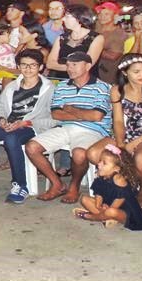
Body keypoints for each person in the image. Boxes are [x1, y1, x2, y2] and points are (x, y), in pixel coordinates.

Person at [0, 49, 55, 203]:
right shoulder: (12, 86)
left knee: (11, 139)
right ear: (19, 67)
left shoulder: (49, 89)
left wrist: (25, 122)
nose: (28, 69)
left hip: (31, 127)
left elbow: (54, 118)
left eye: (33, 65)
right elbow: (0, 107)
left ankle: (20, 185)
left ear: (40, 67)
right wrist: (1, 119)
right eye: (24, 65)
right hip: (8, 124)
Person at [86, 54, 142, 207]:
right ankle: (117, 190)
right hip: (128, 131)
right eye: (136, 72)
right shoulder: (117, 90)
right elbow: (119, 121)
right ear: (125, 72)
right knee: (94, 153)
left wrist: (133, 144)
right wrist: (121, 144)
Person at [25, 51, 112, 203]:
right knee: (32, 147)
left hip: (93, 130)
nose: (70, 68)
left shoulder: (102, 87)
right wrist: (83, 114)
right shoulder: (63, 86)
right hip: (65, 128)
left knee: (79, 154)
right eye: (68, 65)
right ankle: (57, 184)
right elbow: (56, 114)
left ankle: (74, 187)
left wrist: (71, 109)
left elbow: (97, 117)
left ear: (88, 66)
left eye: (75, 65)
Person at [73, 144, 142, 231]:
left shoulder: (119, 180)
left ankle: (93, 217)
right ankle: (107, 218)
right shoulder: (102, 174)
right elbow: (99, 193)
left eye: (104, 163)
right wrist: (99, 206)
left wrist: (107, 210)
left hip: (125, 212)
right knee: (84, 199)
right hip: (107, 206)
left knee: (111, 212)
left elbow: (119, 200)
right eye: (100, 160)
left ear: (116, 168)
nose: (99, 164)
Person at [45, 4, 104, 80]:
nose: (63, 19)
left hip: (86, 83)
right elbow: (49, 64)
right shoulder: (62, 37)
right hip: (62, 81)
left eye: (67, 17)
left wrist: (61, 66)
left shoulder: (96, 38)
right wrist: (76, 67)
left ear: (78, 19)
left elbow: (87, 65)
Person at [95, 1, 126, 83]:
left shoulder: (118, 33)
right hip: (93, 73)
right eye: (100, 14)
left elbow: (113, 56)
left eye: (106, 14)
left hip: (108, 74)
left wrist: (92, 48)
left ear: (115, 16)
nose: (102, 17)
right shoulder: (95, 30)